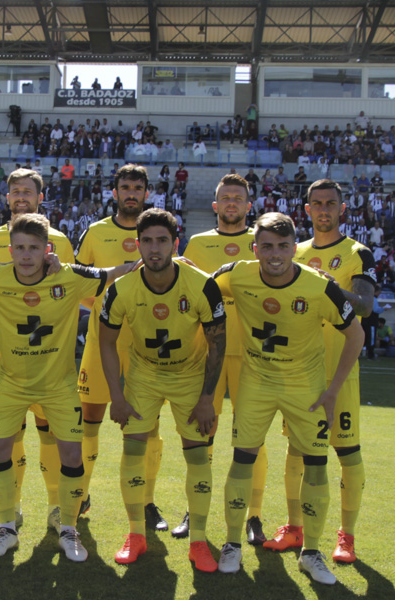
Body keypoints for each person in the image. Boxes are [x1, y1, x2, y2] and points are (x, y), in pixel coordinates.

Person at [213, 212, 363, 584]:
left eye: (282, 246)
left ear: (295, 248)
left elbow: (356, 335)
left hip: (306, 390)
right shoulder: (236, 273)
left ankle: (311, 552)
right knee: (242, 461)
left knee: (315, 466)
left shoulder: (319, 287)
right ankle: (232, 543)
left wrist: (332, 390)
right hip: (256, 385)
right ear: (255, 248)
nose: (275, 254)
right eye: (267, 246)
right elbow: (199, 288)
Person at [0, 213, 128, 561]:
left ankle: (68, 528)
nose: (26, 255)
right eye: (19, 248)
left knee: (71, 456)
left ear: (48, 249)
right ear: (10, 249)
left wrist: (165, 260)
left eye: (33, 248)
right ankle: (6, 527)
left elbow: (111, 274)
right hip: (10, 385)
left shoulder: (69, 277)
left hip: (58, 388)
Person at [253, 179, 375, 564]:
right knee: (296, 451)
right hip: (300, 371)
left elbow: (366, 306)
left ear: (342, 208)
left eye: (331, 203)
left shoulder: (357, 252)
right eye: (317, 204)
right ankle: (294, 527)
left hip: (340, 371)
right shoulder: (294, 250)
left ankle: (347, 536)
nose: (324, 209)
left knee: (347, 451)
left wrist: (326, 288)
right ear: (307, 210)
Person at [101, 208, 227, 571]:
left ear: (176, 243)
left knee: (198, 455)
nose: (154, 249)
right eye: (147, 241)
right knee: (133, 449)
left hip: (190, 375)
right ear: (137, 244)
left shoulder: (202, 285)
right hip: (143, 374)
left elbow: (217, 343)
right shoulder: (121, 289)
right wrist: (118, 396)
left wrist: (207, 399)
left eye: (162, 241)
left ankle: (199, 541)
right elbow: (107, 343)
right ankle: (136, 534)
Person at [0, 169, 75, 533]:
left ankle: (56, 507)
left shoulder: (60, 240)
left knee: (50, 434)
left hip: (50, 362)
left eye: (27, 192)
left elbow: (70, 288)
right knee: (8, 437)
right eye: (14, 191)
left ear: (39, 197)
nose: (20, 197)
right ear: (6, 197)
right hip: (5, 359)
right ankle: (10, 509)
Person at [74, 165, 164, 529]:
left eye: (137, 188)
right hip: (100, 343)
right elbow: (78, 287)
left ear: (147, 193)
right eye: (125, 187)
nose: (131, 193)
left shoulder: (159, 232)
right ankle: (79, 494)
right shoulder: (95, 232)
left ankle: (147, 502)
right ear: (114, 193)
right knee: (89, 421)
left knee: (148, 429)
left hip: (145, 346)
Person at [178, 174, 266, 543]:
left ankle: (254, 516)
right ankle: (194, 509)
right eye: (225, 198)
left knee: (252, 439)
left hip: (253, 353)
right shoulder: (198, 243)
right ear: (215, 206)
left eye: (238, 198)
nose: (232, 203)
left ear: (249, 206)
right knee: (201, 435)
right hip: (208, 353)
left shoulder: (262, 243)